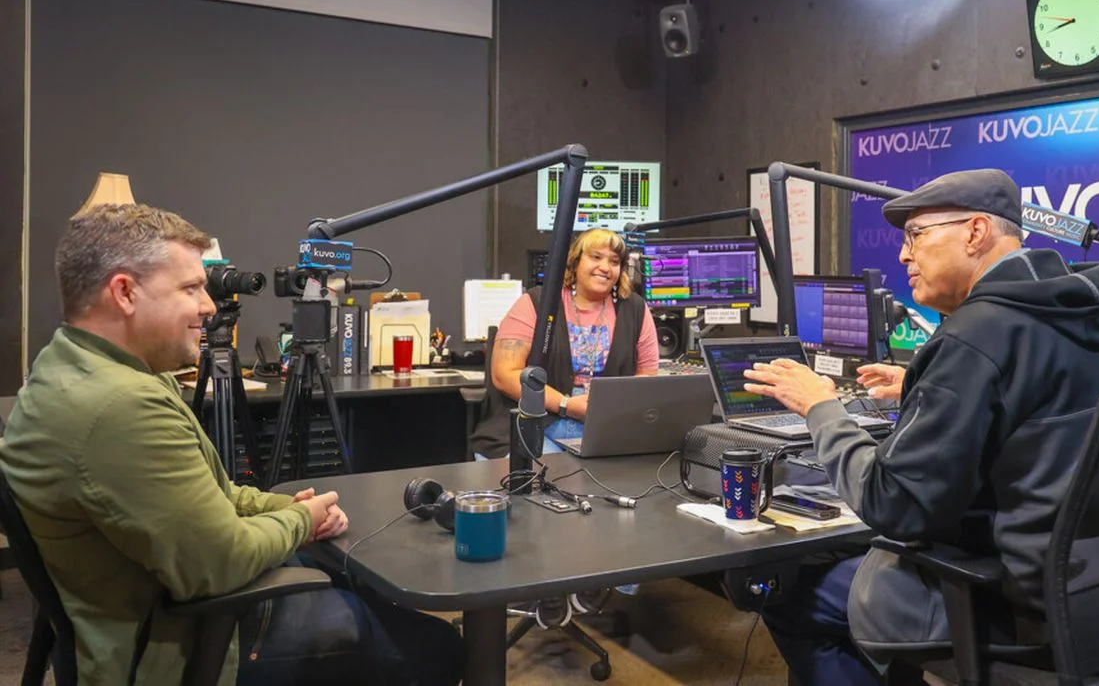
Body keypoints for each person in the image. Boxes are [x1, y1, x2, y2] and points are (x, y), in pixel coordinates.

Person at [0, 204, 463, 686]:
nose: (209, 306)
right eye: (190, 288)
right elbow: (219, 561)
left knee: (363, 594)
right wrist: (300, 520)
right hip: (188, 645)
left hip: (165, 611)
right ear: (124, 292)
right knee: (436, 647)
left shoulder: (69, 367)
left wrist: (278, 505)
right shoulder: (118, 407)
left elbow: (208, 498)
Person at [744, 169, 1099, 686]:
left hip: (1004, 598)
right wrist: (922, 381)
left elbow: (894, 506)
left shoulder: (977, 336)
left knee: (790, 592)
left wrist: (822, 407)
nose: (904, 256)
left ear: (976, 232)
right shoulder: (1089, 313)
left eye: (916, 236)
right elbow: (1035, 411)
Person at [475, 227, 658, 458]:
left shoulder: (636, 309)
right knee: (551, 476)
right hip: (537, 421)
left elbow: (647, 377)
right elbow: (505, 374)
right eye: (595, 257)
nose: (605, 267)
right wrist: (566, 404)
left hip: (603, 425)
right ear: (575, 261)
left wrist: (610, 407)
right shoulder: (536, 302)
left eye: (614, 261)